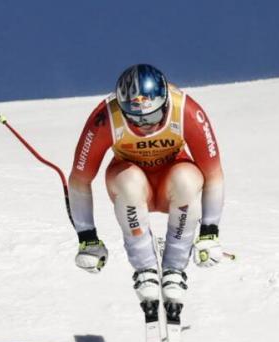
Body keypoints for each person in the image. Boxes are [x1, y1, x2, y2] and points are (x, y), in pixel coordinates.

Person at [68, 64, 225, 320]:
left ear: (164, 104)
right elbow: (79, 179)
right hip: (131, 185)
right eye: (135, 118)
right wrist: (88, 239)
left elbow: (214, 174)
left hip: (171, 184)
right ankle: (144, 269)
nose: (145, 126)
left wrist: (210, 232)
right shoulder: (106, 117)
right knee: (128, 182)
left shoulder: (185, 110)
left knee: (187, 180)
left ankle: (175, 268)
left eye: (151, 118)